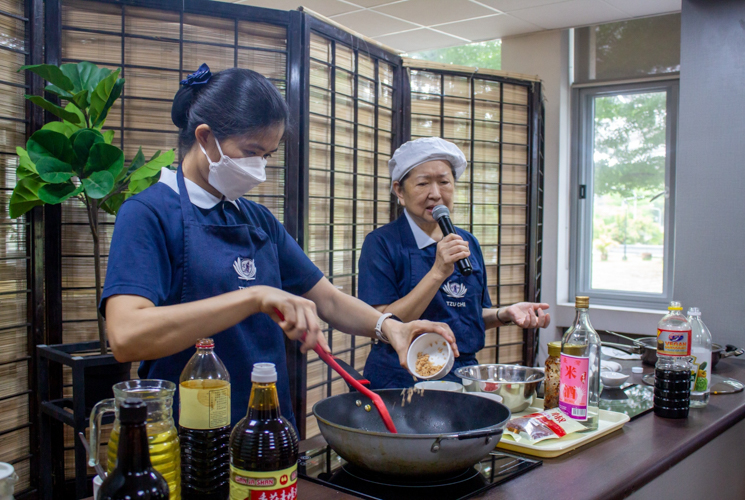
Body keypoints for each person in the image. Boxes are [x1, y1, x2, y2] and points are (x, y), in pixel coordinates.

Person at [100, 65, 457, 428]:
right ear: (205, 138)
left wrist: (389, 327)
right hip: (191, 431)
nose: (260, 168)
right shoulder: (148, 213)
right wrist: (254, 297)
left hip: (266, 422)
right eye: (251, 151)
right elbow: (127, 336)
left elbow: (329, 300)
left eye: (267, 155)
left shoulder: (258, 220)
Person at [358, 137, 550, 389]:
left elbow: (468, 314)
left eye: (444, 182)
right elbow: (381, 323)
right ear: (399, 191)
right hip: (401, 377)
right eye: (423, 183)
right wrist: (438, 271)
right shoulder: (381, 243)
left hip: (462, 375)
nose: (435, 194)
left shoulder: (466, 242)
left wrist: (505, 314)